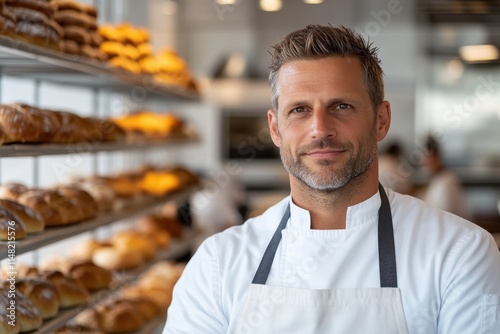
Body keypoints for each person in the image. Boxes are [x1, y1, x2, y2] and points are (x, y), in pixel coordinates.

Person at [163, 25, 500, 333]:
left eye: (341, 106)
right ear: (275, 128)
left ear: (381, 120)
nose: (320, 129)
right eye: (299, 110)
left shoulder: (459, 252)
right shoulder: (218, 265)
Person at [418, 135, 470, 219]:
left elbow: (442, 217)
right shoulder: (439, 179)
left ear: (436, 157)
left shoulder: (445, 183)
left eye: (426, 157)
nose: (423, 162)